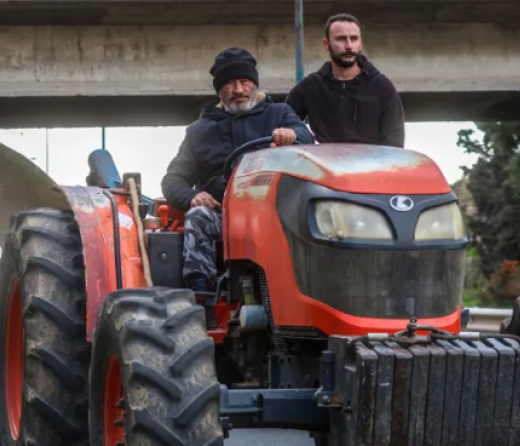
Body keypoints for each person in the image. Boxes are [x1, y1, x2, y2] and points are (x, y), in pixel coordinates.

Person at [161, 47, 314, 293]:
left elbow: (307, 138)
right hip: (223, 216)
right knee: (198, 216)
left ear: (254, 85)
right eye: (231, 84)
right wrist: (191, 197)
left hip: (273, 213)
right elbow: (173, 179)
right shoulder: (199, 131)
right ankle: (202, 296)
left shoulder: (279, 114)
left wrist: (292, 134)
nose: (239, 90)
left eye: (245, 82)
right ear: (220, 90)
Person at [285, 13, 405, 148]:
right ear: (326, 44)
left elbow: (395, 138)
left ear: (360, 43)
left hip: (371, 165)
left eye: (354, 39)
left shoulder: (382, 86)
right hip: (324, 165)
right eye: (341, 39)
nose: (348, 46)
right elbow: (284, 122)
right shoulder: (310, 86)